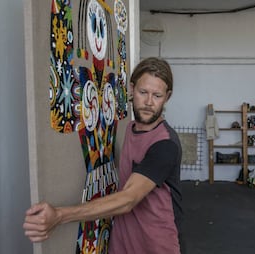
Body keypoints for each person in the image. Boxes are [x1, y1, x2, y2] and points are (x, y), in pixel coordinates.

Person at [23, 57, 184, 254]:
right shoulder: (131, 128)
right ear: (132, 89)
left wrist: (59, 215)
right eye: (143, 92)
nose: (149, 102)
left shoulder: (165, 144)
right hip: (124, 242)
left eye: (157, 95)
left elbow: (128, 199)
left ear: (167, 97)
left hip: (157, 245)